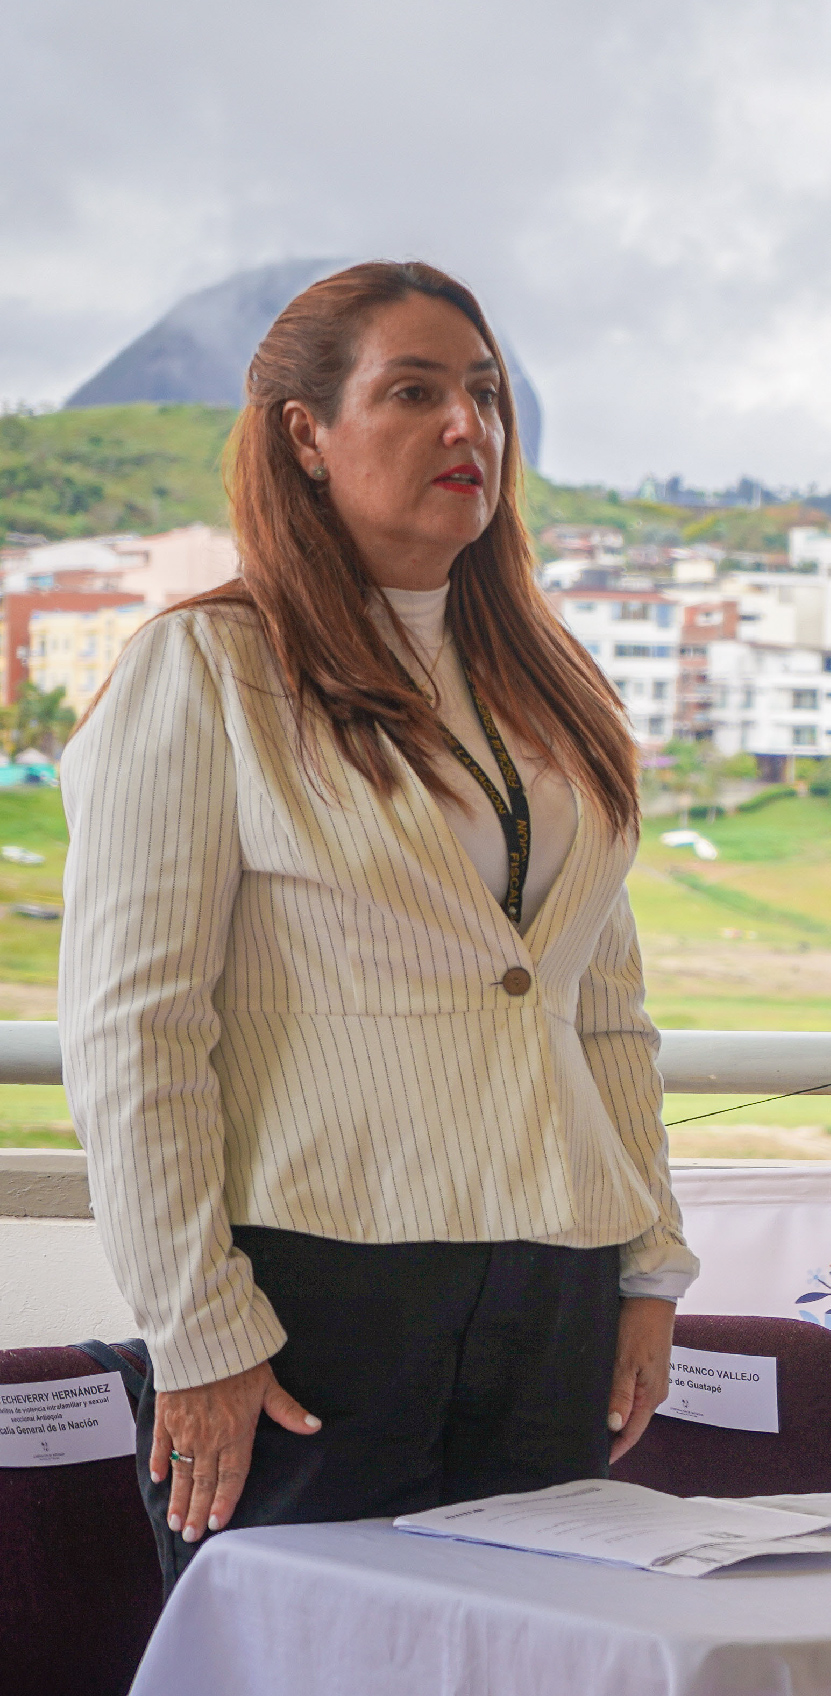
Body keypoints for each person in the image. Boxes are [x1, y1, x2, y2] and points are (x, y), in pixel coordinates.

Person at [63, 261, 690, 1578]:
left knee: (533, 1664)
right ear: (306, 433)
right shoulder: (207, 671)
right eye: (412, 393)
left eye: (484, 394)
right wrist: (198, 1327)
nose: (468, 429)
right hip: (308, 1296)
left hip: (554, 1286)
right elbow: (136, 1033)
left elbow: (604, 1011)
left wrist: (646, 1266)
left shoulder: (551, 684)